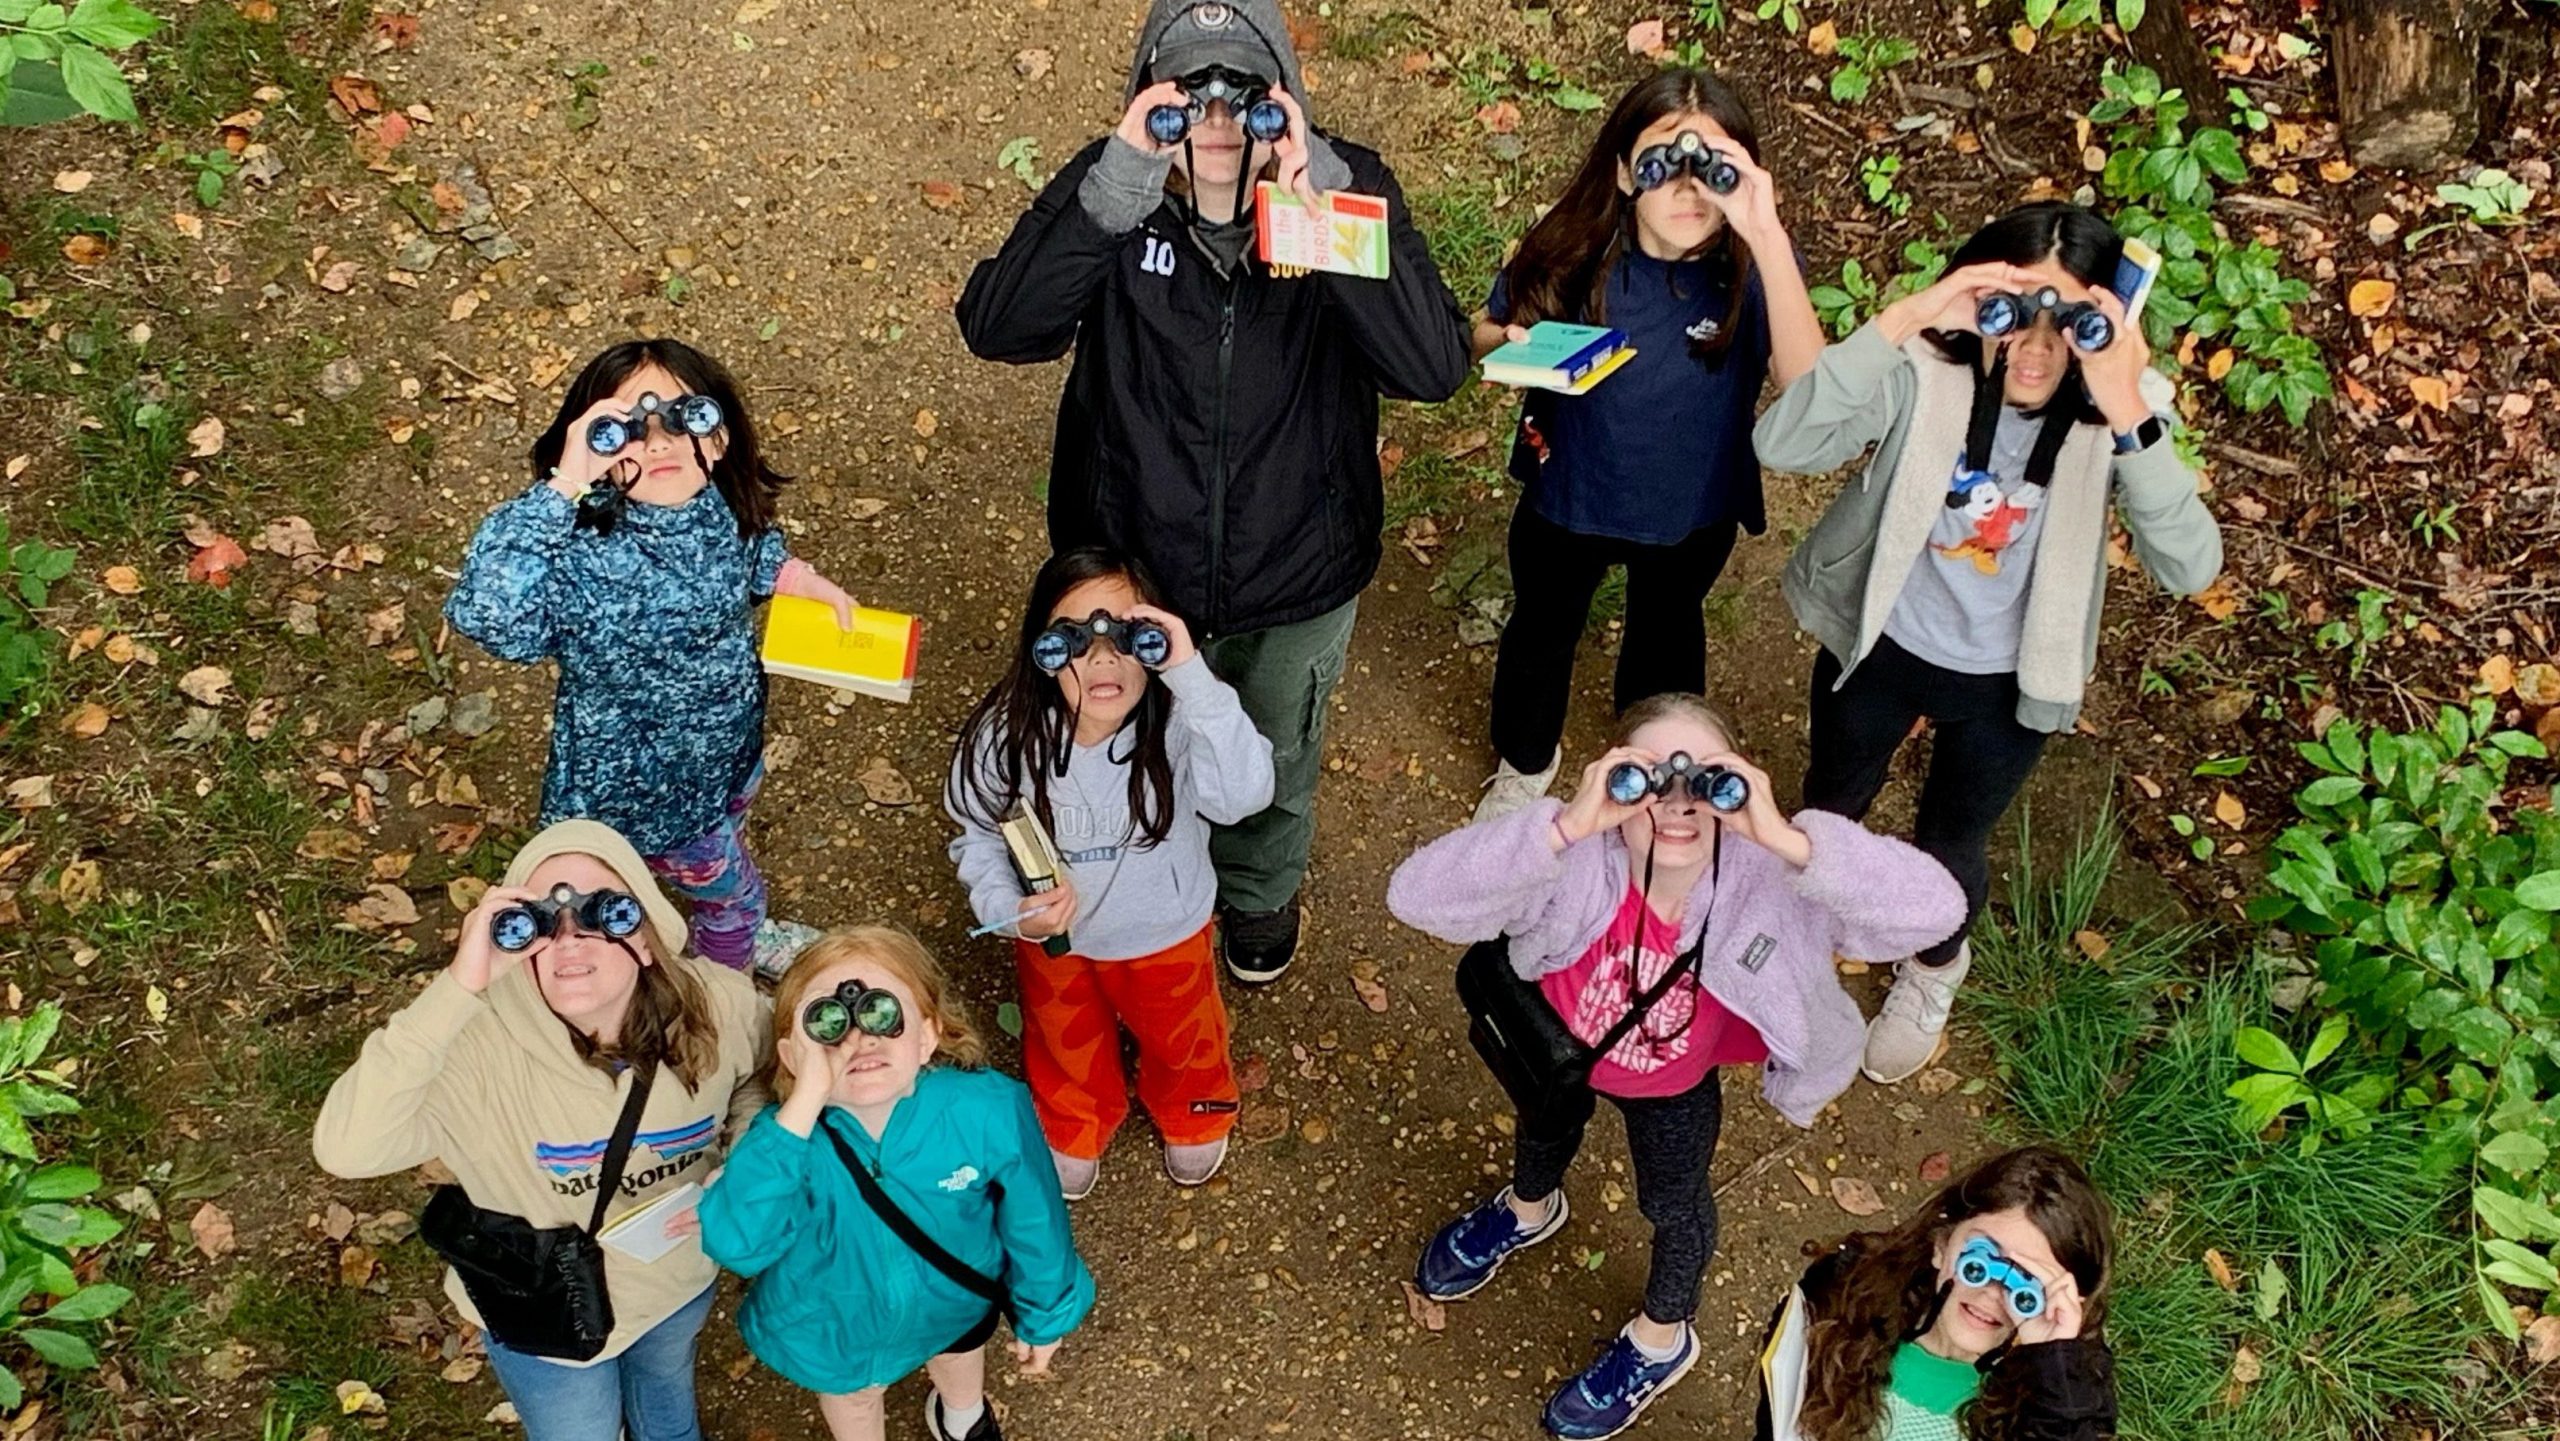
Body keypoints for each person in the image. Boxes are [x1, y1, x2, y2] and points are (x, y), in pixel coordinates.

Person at [957, 0, 1471, 987]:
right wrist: (1115, 184)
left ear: (1287, 98)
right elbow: (1000, 325)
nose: (1218, 117)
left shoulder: (1343, 185)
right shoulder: (1113, 189)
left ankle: (1259, 888)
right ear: (1147, 95)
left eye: (1246, 92)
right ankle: (1139, 886)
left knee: (1274, 744)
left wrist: (1314, 197)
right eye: (1187, 91)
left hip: (1298, 565)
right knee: (1128, 735)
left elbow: (1431, 365)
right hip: (1133, 561)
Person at [1387, 694, 1964, 1439]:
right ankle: (1530, 1208)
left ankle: (1662, 1336)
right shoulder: (1573, 860)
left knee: (1676, 1205)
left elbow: (1936, 910)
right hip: (1561, 1055)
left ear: (1741, 787)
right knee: (1540, 1134)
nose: (1677, 801)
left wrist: (1789, 840)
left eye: (1709, 780)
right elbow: (1416, 896)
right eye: (1647, 777)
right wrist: (1563, 825)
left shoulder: (1768, 882)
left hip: (1674, 1085)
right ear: (1609, 779)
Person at [1755, 202, 2222, 1084]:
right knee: (1829, 801)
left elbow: (2193, 567)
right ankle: (1802, 935)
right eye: (2016, 314)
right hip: (1884, 640)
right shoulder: (1927, 369)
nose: (2038, 349)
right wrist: (1910, 316)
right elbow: (1785, 441)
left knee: (1952, 842)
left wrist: (2124, 400)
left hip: (2008, 679)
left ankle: (1933, 967)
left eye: (2069, 323)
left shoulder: (2115, 418)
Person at [312, 820, 772, 1441]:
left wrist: (745, 1152)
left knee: (665, 1405)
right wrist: (460, 986)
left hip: (676, 1281)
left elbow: (766, 1077)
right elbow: (348, 1148)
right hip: (544, 1316)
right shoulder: (472, 1047)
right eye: (538, 919)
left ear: (645, 933)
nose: (569, 941)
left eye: (603, 912)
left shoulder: (720, 1007)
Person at [1467, 68, 1822, 824]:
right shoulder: (1574, 248)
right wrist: (1509, 340)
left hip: (1691, 508)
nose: (1689, 188)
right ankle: (1527, 761)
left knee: (1667, 634)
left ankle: (1654, 759)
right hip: (1569, 492)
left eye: (1715, 167)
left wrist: (1766, 231)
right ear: (1626, 172)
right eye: (1664, 162)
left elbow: (1811, 387)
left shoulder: (1752, 275)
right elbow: (1483, 332)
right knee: (1542, 628)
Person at [444, 338, 862, 978]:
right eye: (625, 430)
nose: (659, 441)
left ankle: (707, 922)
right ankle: (722, 985)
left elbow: (750, 554)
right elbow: (488, 615)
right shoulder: (578, 556)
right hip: (643, 798)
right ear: (593, 451)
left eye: (683, 417)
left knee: (727, 837)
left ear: (718, 438)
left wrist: (799, 579)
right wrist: (565, 486)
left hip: (726, 755)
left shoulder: (717, 505)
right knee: (736, 901)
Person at [946, 547, 1274, 1199]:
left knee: (1185, 1034)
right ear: (1039, 649)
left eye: (1128, 636)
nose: (1101, 658)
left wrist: (1193, 680)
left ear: (1158, 641)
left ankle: (1195, 1108)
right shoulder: (1006, 734)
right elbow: (975, 828)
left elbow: (1247, 794)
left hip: (1166, 931)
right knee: (1063, 1035)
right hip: (1054, 939)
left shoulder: (1183, 724)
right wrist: (1006, 905)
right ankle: (1072, 1118)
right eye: (1070, 639)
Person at [700, 927, 1095, 1441]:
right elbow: (738, 1244)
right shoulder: (783, 1143)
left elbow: (1036, 1220)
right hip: (837, 1326)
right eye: (827, 1023)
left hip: (954, 1299)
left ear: (928, 1035)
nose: (859, 1039)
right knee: (854, 1397)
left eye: (882, 1014)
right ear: (794, 1055)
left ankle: (962, 1416)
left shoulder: (986, 1110)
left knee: (958, 1353)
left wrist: (1046, 1313)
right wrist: (802, 1105)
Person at [1755, 1146, 2116, 1441]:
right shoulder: (1850, 1294)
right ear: (1941, 1245)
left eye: (2027, 1287)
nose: (1993, 1293)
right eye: (1980, 1260)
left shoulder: (2063, 1398)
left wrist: (2053, 1367)